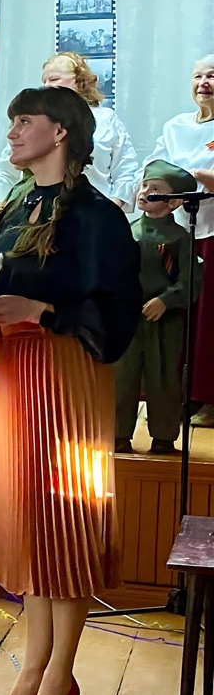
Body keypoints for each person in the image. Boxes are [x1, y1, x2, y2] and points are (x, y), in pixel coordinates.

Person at [0, 86, 140, 695]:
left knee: (65, 526)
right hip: (16, 379)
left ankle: (57, 681)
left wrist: (41, 313)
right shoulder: (17, 205)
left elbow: (116, 314)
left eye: (25, 121)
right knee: (31, 526)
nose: (13, 132)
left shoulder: (97, 216)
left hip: (68, 380)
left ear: (61, 132)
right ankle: (32, 676)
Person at [145, 53, 214, 426]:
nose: (204, 83)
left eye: (212, 76)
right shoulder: (175, 126)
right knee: (176, 314)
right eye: (198, 76)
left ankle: (208, 398)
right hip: (177, 233)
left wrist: (191, 177)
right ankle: (175, 398)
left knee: (208, 320)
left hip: (212, 231)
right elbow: (155, 171)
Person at [115, 161, 202, 455]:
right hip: (130, 316)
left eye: (156, 189)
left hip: (165, 320)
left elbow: (191, 277)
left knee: (163, 376)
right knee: (123, 376)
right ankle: (118, 433)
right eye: (144, 185)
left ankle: (164, 436)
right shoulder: (127, 232)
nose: (145, 192)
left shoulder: (179, 239)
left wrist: (167, 299)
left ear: (174, 202)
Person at [0, 52, 140, 212]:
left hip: (94, 213)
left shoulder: (106, 119)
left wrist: (110, 208)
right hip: (39, 214)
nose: (47, 86)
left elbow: (126, 170)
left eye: (54, 79)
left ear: (79, 81)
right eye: (44, 81)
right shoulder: (37, 121)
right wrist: (1, 213)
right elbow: (5, 168)